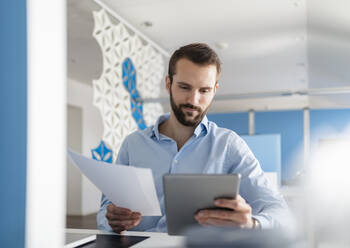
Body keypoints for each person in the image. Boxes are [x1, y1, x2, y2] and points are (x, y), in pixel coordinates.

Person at [97, 43, 292, 233]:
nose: (193, 100)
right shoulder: (133, 144)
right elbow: (105, 210)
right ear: (168, 84)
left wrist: (251, 223)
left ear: (215, 90)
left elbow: (281, 213)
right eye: (184, 87)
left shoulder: (229, 145)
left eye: (204, 90)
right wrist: (111, 219)